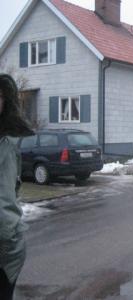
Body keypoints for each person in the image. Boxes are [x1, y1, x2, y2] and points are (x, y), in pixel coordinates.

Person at [0, 74, 34, 299]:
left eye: (0, 96)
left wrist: (8, 239)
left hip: (6, 250)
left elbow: (8, 197)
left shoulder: (8, 145)